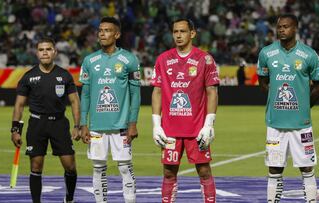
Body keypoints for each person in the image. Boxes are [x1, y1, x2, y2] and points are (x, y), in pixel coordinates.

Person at [257, 14, 319, 202]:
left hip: (301, 124)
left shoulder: (309, 54)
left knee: (306, 168)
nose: (281, 30)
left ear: (295, 28)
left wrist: (305, 106)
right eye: (279, 26)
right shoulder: (266, 53)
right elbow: (262, 81)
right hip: (275, 123)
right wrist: (275, 102)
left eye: (286, 26)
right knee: (274, 168)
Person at [151, 18, 219, 203]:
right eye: (175, 32)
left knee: (204, 171)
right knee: (168, 172)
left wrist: (208, 125)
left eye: (182, 31)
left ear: (192, 33)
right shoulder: (163, 59)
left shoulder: (205, 59)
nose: (178, 35)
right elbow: (157, 92)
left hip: (196, 129)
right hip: (170, 130)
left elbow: (212, 91)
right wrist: (156, 125)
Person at [10, 37, 80, 203]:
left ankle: (69, 199)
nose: (45, 52)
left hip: (59, 123)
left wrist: (78, 125)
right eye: (41, 50)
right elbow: (19, 105)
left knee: (70, 166)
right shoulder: (28, 77)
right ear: (37, 53)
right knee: (36, 167)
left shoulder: (64, 75)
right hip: (37, 124)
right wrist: (15, 130)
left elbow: (75, 101)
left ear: (54, 52)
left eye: (48, 49)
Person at [79, 17, 141, 203]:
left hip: (121, 126)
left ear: (117, 34)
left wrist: (133, 123)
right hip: (97, 126)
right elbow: (86, 95)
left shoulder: (129, 59)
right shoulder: (90, 60)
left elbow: (135, 94)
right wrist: (83, 123)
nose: (102, 34)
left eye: (107, 30)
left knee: (124, 167)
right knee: (98, 168)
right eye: (100, 30)